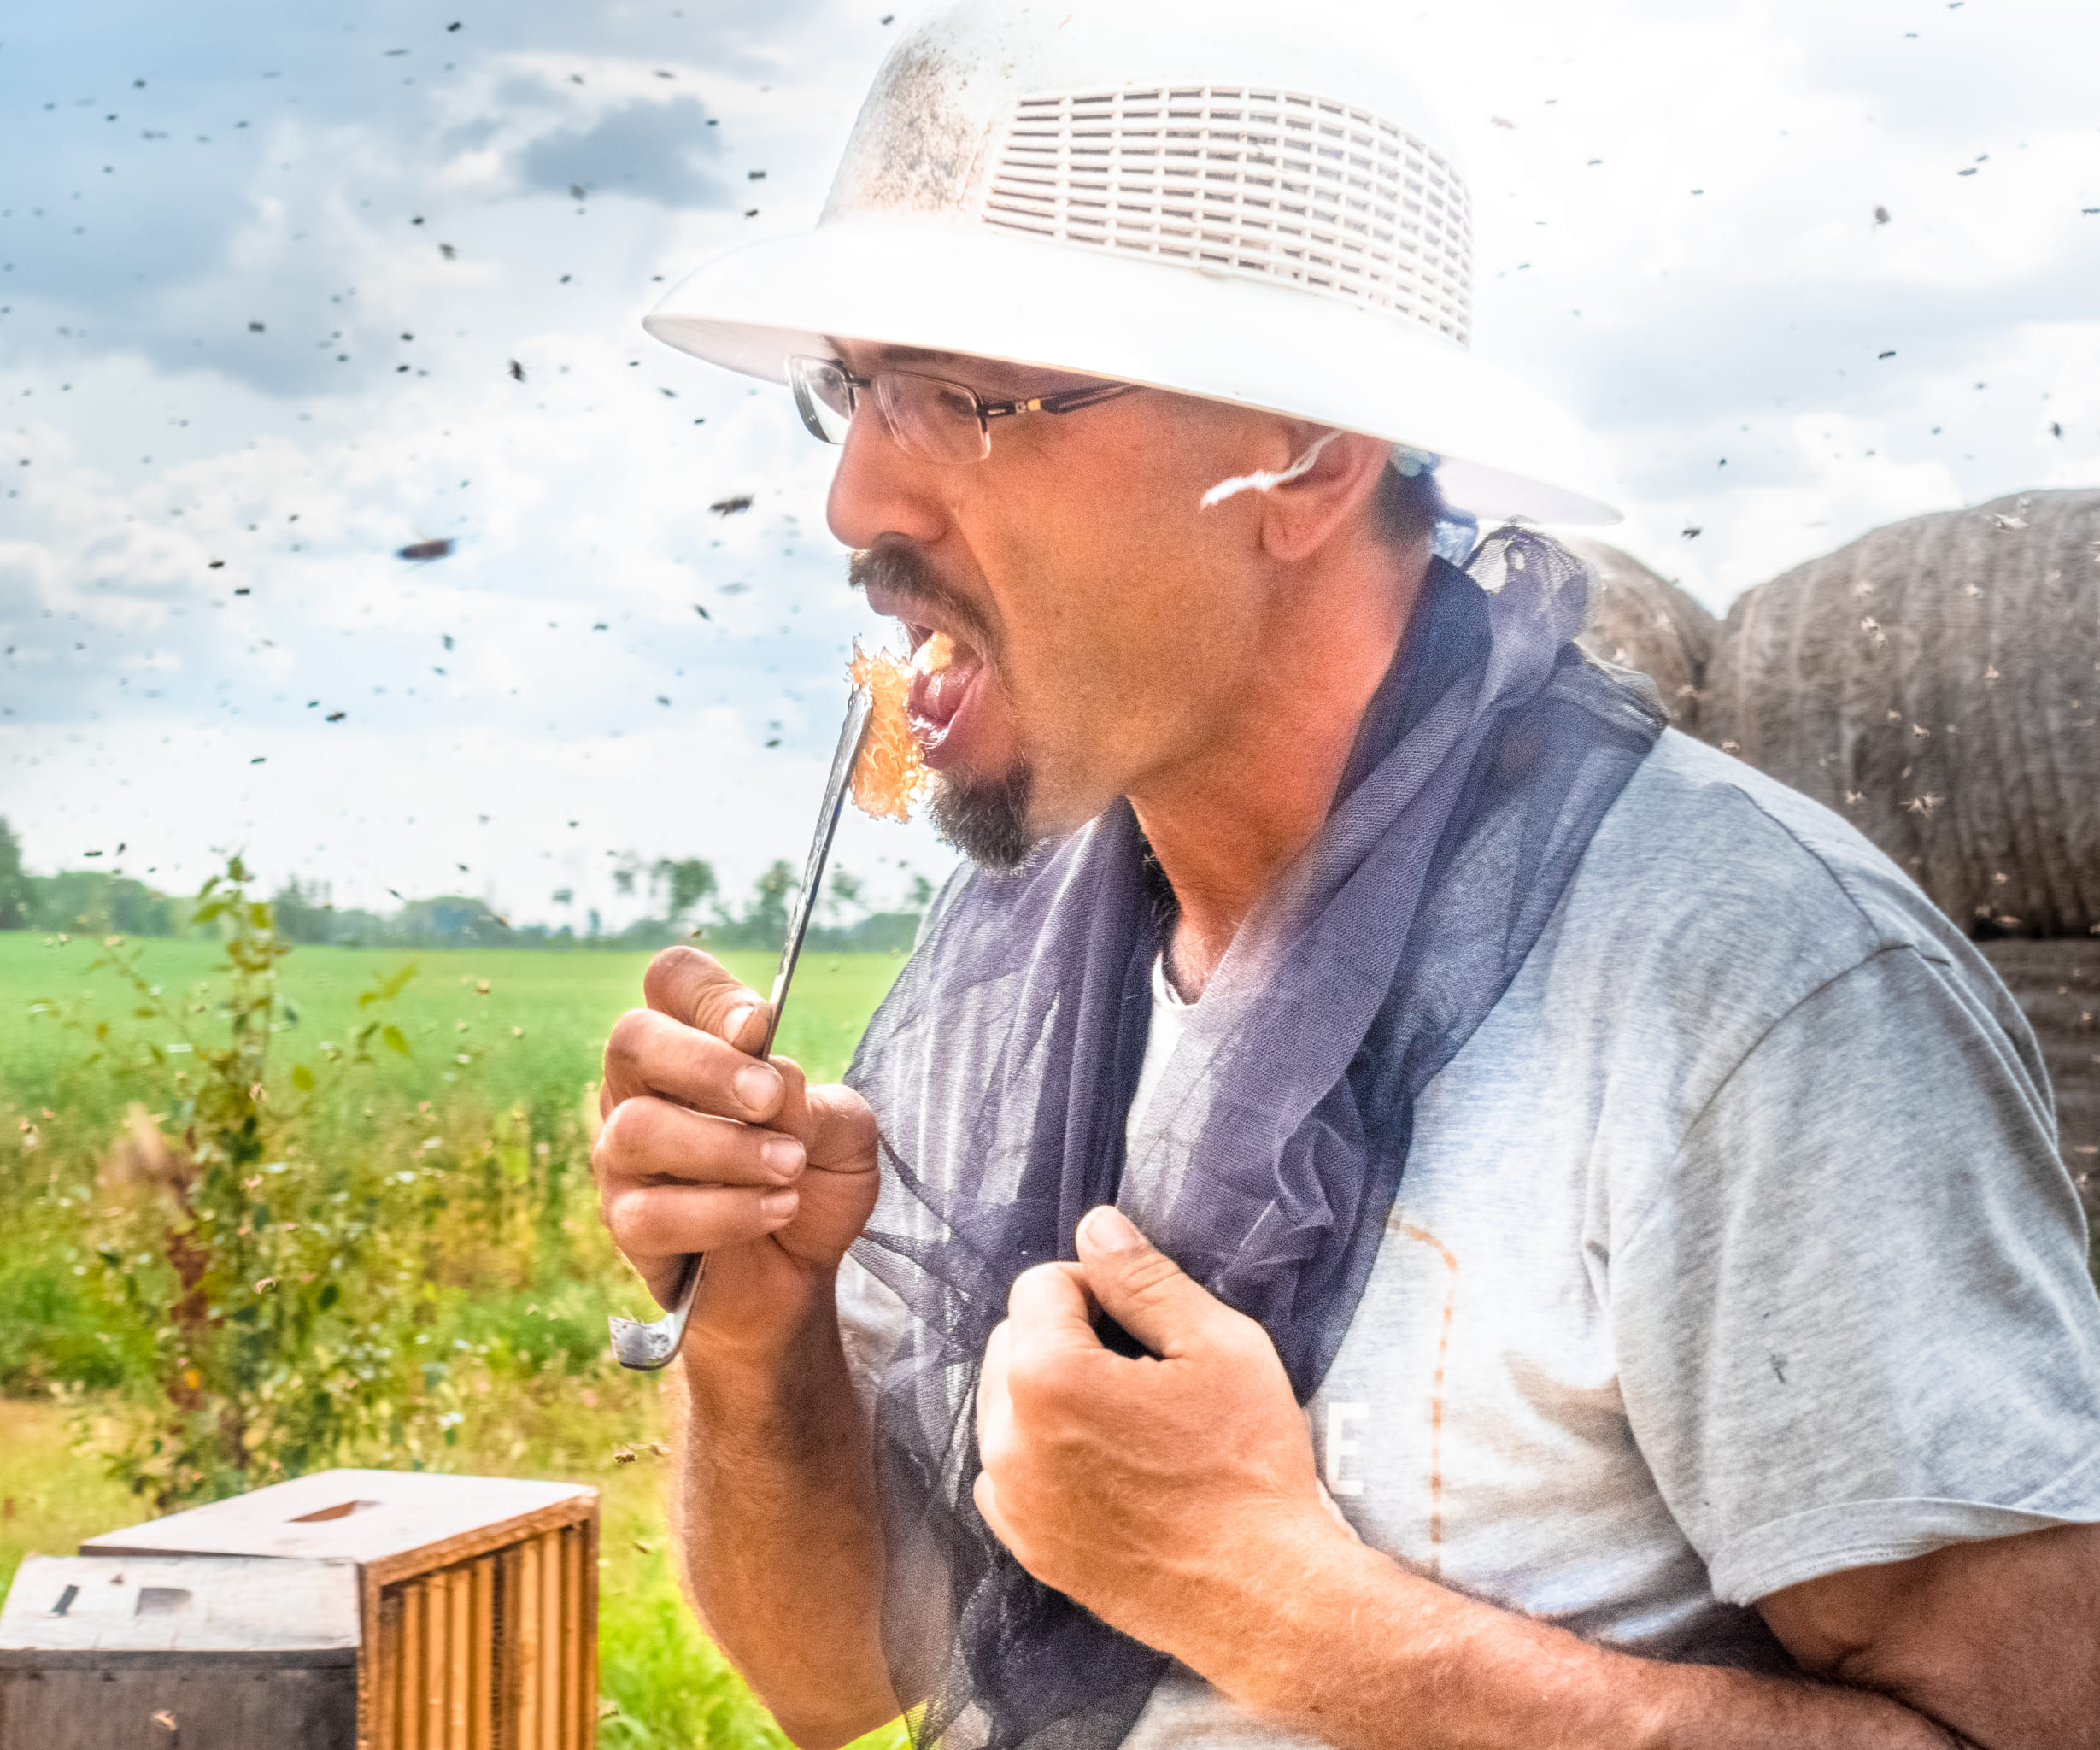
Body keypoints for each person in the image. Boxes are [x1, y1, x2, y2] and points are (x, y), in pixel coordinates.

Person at [592, 3, 2100, 1746]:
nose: (854, 499)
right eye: (851, 391)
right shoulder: (1014, 955)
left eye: (967, 397)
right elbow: (837, 1672)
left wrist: (1277, 1602)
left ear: (1296, 453)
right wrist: (755, 1334)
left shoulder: (1745, 994)